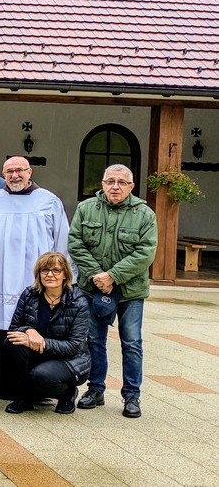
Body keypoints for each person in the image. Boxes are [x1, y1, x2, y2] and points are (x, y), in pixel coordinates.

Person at [68, 164, 157, 418]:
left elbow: (146, 252)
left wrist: (113, 276)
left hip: (130, 292)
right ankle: (95, 390)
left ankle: (132, 396)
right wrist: (98, 276)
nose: (115, 187)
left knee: (131, 343)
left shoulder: (145, 214)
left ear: (131, 186)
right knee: (94, 341)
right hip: (92, 288)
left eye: (121, 182)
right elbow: (75, 242)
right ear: (102, 184)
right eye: (110, 181)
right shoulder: (86, 209)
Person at [0, 156, 71, 333]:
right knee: (1, 331)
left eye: (19, 171)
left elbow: (62, 240)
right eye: (10, 171)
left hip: (37, 273)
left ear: (29, 172)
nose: (14, 175)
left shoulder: (49, 201)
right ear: (3, 174)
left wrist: (64, 277)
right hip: (1, 274)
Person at [0, 252, 90, 415]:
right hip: (38, 354)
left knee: (41, 375)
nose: (50, 275)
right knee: (11, 343)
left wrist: (42, 342)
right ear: (38, 274)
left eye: (56, 270)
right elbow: (13, 329)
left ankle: (67, 393)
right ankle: (25, 397)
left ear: (65, 275)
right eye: (44, 270)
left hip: (69, 359)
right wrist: (29, 330)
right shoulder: (30, 294)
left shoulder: (79, 302)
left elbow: (75, 346)